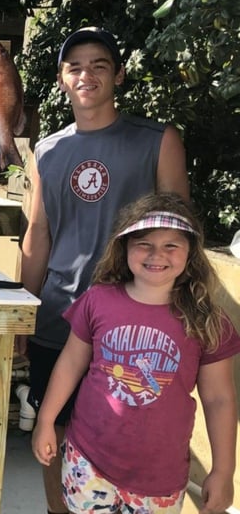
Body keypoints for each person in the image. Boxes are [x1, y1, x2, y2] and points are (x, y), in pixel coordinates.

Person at [19, 26, 190, 514]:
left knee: (128, 433)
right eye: (75, 66)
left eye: (98, 64)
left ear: (117, 74)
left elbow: (179, 231)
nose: (86, 74)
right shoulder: (47, 151)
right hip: (58, 317)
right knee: (53, 431)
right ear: (61, 80)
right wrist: (22, 312)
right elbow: (38, 236)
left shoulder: (158, 141)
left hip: (136, 322)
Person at [31, 192, 240, 513]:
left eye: (171, 245)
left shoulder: (207, 319)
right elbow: (71, 363)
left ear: (191, 253)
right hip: (88, 461)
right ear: (124, 246)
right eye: (144, 243)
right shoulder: (97, 300)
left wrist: (224, 471)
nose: (157, 254)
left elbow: (219, 399)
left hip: (161, 477)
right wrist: (45, 420)